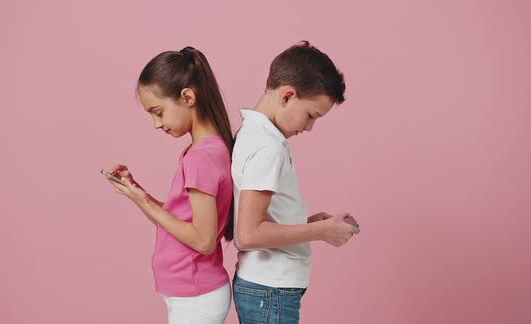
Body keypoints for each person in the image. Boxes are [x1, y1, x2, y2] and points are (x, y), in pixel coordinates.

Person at [231, 41, 360, 324]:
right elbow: (249, 234)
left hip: (267, 290)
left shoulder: (257, 135)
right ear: (288, 96)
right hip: (271, 290)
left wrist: (312, 222)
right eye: (311, 115)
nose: (310, 127)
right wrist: (322, 230)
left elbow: (262, 218)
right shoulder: (267, 146)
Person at [105, 46, 234, 324]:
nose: (155, 123)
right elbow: (184, 221)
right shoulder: (206, 151)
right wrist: (139, 193)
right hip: (195, 293)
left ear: (187, 97)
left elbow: (202, 240)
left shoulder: (201, 158)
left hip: (195, 296)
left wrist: (144, 202)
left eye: (158, 112)